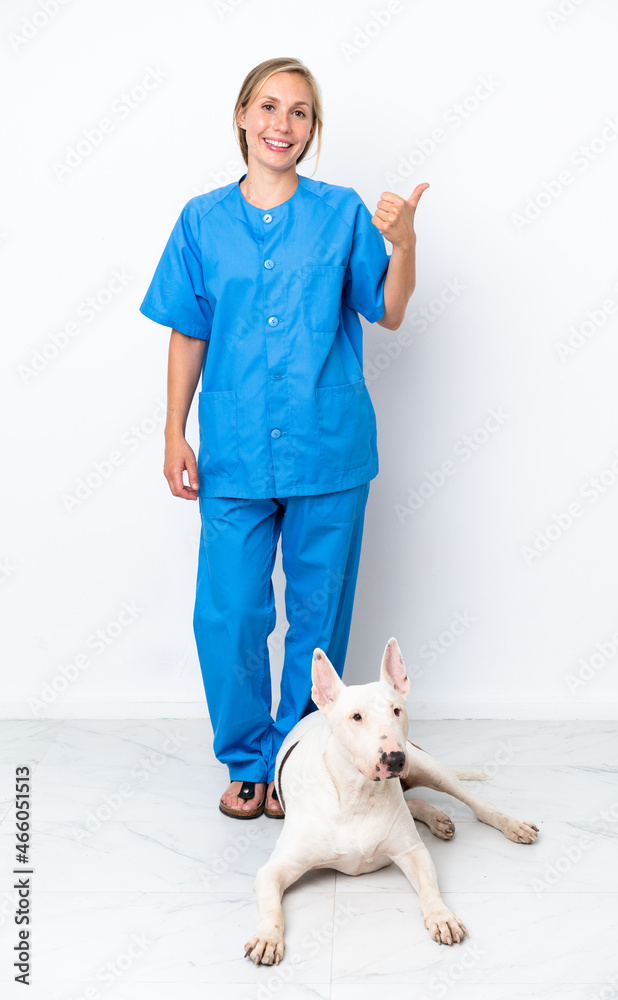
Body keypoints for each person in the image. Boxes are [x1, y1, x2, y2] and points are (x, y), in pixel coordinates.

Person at [139, 56, 427, 819]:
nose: (282, 124)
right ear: (242, 115)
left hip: (327, 447)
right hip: (233, 449)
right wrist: (173, 432)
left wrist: (403, 245)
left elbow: (388, 311)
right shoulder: (202, 221)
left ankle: (295, 757)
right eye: (268, 106)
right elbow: (188, 331)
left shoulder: (341, 213)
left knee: (317, 621)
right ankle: (247, 758)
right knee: (228, 613)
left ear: (312, 128)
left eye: (299, 112)